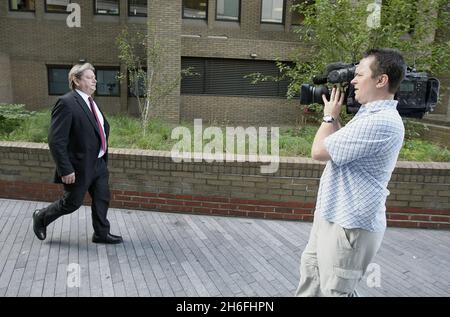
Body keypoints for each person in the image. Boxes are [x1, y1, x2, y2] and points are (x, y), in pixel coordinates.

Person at [295, 48, 406, 296]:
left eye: (359, 75)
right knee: (311, 282)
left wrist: (328, 118)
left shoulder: (381, 121)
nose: (353, 81)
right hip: (331, 215)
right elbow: (342, 148)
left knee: (334, 291)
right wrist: (334, 119)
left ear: (381, 80)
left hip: (350, 227)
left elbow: (319, 151)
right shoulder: (368, 114)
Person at [32, 62, 123, 244]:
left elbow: (98, 129)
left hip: (98, 163)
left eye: (94, 77)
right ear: (76, 80)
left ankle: (101, 233)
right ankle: (41, 217)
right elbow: (56, 140)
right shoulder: (66, 103)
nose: (95, 81)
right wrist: (65, 169)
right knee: (72, 203)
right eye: (90, 77)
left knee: (102, 198)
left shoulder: (91, 102)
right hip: (79, 166)